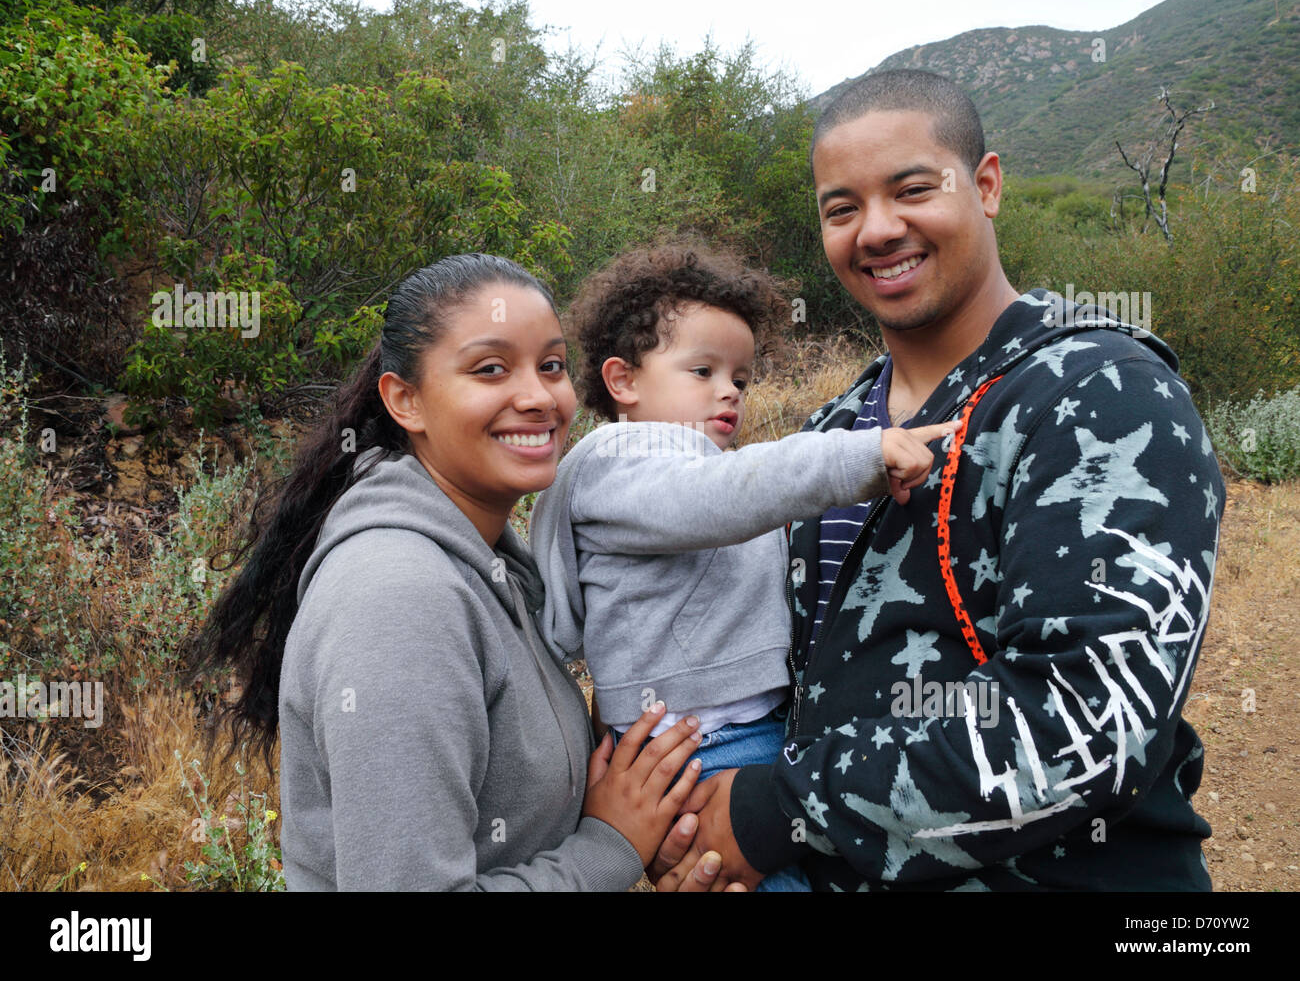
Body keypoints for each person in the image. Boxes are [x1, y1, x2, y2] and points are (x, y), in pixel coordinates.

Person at [653, 69, 1225, 892]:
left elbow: (1089, 719)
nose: (877, 229)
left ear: (986, 186)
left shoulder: (1097, 390)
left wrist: (782, 809)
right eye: (841, 208)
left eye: (912, 189)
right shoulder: (833, 430)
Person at [185, 253, 719, 890]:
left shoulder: (491, 562)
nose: (538, 397)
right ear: (405, 400)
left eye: (551, 365)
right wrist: (608, 849)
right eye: (491, 369)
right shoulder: (399, 597)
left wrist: (652, 824)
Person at [528, 243, 959, 891]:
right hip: (695, 746)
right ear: (623, 381)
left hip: (744, 733)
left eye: (740, 376)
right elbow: (724, 498)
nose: (728, 388)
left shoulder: (692, 466)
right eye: (701, 370)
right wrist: (859, 456)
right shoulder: (622, 458)